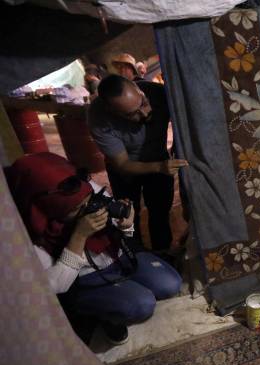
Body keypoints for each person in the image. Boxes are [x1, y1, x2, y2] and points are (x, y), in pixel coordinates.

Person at [6, 153, 182, 344]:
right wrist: (79, 236)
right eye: (78, 208)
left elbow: (122, 232)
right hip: (86, 276)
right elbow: (54, 287)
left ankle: (122, 292)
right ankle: (101, 315)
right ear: (52, 209)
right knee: (142, 304)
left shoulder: (87, 189)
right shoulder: (28, 234)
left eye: (89, 200)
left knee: (170, 285)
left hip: (119, 255)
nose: (90, 208)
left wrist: (126, 225)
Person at [88, 74, 188, 252]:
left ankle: (162, 255)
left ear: (138, 89)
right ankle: (137, 259)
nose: (144, 113)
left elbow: (187, 119)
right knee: (127, 216)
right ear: (112, 111)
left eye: (143, 102)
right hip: (126, 171)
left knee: (160, 214)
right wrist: (159, 166)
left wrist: (179, 145)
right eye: (131, 114)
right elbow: (122, 164)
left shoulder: (159, 93)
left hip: (158, 161)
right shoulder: (98, 117)